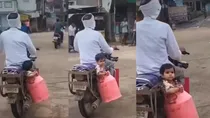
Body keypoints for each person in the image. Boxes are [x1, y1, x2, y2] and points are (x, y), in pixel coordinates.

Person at [136, 0, 184, 83]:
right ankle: (179, 94)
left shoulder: (136, 27)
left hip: (140, 72)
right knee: (180, 71)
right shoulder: (165, 27)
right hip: (162, 71)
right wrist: (179, 55)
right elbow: (175, 55)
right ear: (157, 9)